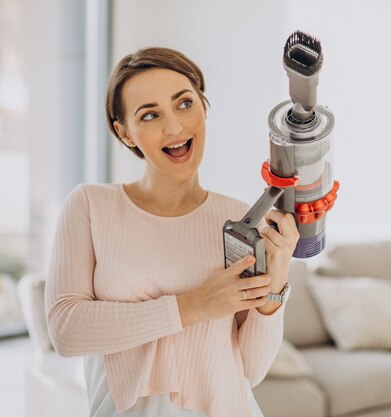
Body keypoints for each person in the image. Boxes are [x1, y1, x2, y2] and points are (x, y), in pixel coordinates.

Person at [44, 47, 299, 417]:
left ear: (204, 108)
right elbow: (66, 330)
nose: (174, 127)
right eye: (150, 115)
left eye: (184, 104)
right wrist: (194, 305)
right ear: (125, 133)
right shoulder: (90, 206)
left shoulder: (239, 218)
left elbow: (251, 370)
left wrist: (275, 285)